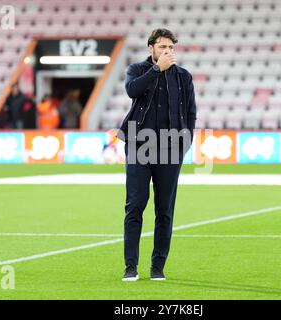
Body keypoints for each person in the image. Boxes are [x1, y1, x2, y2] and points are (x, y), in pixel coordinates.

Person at [117, 28, 196, 281]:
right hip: (139, 145)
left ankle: (157, 267)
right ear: (151, 48)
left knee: (165, 210)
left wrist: (187, 140)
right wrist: (156, 69)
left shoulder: (184, 77)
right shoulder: (138, 70)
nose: (168, 51)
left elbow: (191, 112)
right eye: (163, 47)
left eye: (171, 47)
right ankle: (131, 267)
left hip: (171, 147)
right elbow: (132, 90)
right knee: (135, 206)